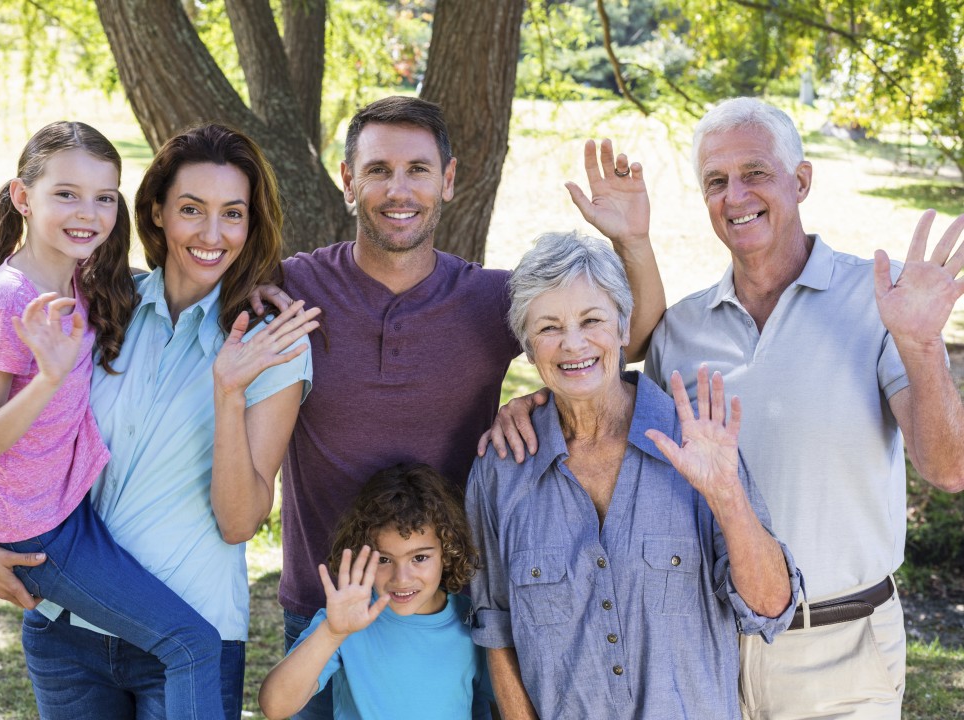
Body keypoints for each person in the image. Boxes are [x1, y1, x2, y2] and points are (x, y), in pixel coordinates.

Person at [482, 98, 964, 719]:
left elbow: (947, 468)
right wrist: (530, 405)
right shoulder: (681, 330)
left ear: (802, 180)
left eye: (755, 173)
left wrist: (921, 345)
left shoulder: (882, 301)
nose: (736, 195)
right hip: (709, 650)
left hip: (841, 643)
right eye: (716, 182)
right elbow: (593, 369)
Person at [261, 95, 667, 719]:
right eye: (378, 170)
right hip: (328, 609)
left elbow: (622, 338)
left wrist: (632, 241)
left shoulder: (485, 298)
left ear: (448, 181)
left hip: (453, 610)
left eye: (419, 169)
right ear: (349, 182)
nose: (399, 190)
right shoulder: (295, 286)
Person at [0, 122, 319, 719]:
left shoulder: (273, 345)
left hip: (192, 633)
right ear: (157, 213)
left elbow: (240, 521)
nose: (212, 234)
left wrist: (227, 391)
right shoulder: (101, 306)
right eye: (191, 208)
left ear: (252, 224)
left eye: (233, 214)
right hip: (67, 632)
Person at [467, 231, 799, 719]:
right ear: (529, 348)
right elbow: (496, 630)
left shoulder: (693, 440)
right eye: (549, 328)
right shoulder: (502, 470)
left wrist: (727, 496)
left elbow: (772, 609)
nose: (573, 343)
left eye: (592, 320)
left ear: (624, 328)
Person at [259, 463, 489, 720]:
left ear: (447, 551)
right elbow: (274, 706)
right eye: (384, 560)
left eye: (420, 558)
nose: (401, 578)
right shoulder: (346, 620)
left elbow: (496, 704)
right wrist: (332, 634)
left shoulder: (473, 620)